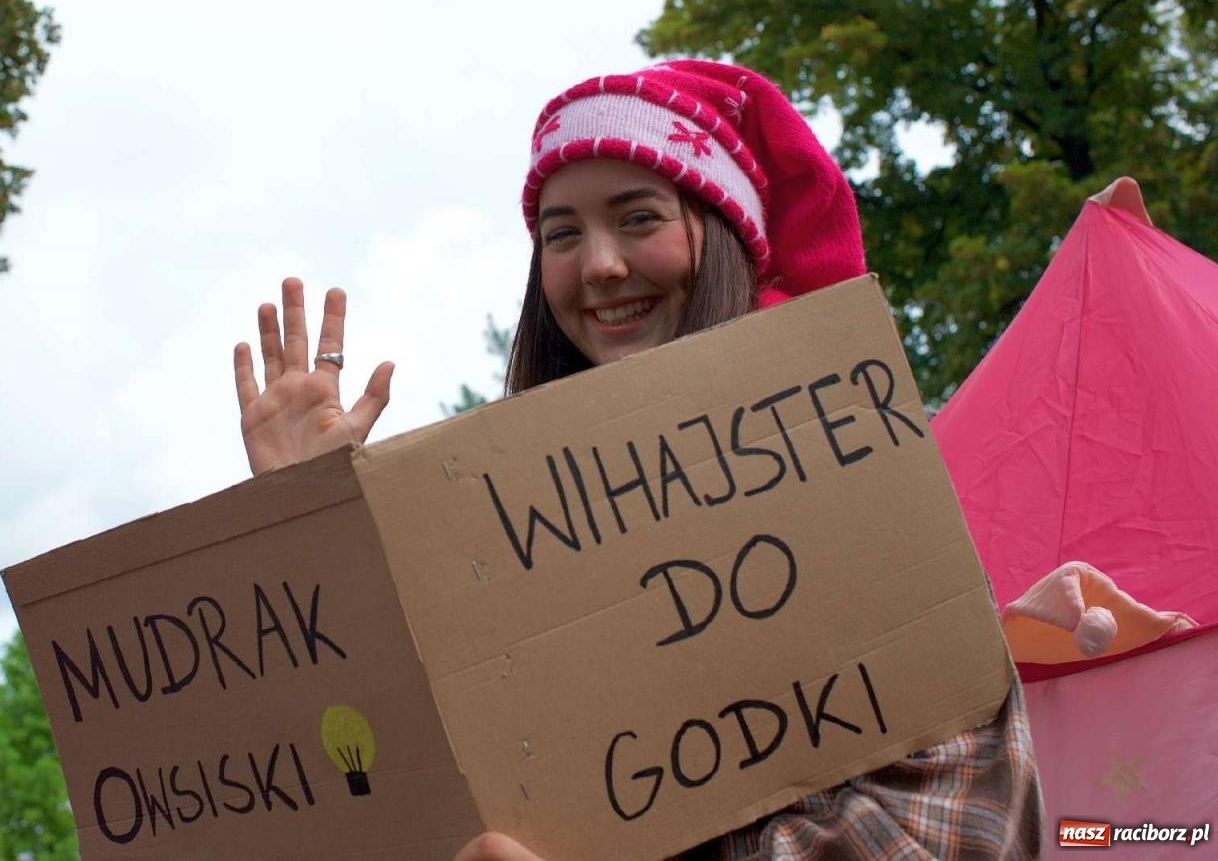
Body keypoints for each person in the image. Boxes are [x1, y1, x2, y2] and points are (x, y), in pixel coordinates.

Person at [232, 59, 1043, 860]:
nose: (600, 265)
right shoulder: (495, 552)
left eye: (640, 217)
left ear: (724, 238)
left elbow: (961, 833)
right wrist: (315, 531)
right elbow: (378, 786)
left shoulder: (869, 494)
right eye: (561, 235)